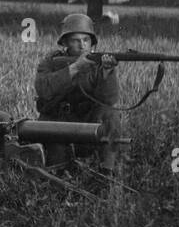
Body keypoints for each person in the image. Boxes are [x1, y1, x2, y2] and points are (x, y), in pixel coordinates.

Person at [35, 13, 122, 173]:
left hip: (89, 123)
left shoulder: (100, 64)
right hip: (58, 124)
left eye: (86, 40)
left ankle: (107, 173)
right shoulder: (51, 62)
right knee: (58, 172)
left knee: (111, 114)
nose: (82, 46)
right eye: (76, 40)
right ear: (65, 43)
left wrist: (107, 73)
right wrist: (75, 68)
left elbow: (109, 100)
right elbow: (44, 89)